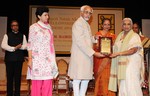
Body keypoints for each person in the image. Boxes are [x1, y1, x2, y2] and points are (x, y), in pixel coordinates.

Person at [67, 5, 105, 96]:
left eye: (90, 13)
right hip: (80, 56)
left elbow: (86, 39)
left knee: (86, 79)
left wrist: (94, 38)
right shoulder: (78, 23)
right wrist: (94, 53)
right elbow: (80, 42)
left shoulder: (86, 24)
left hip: (86, 56)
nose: (88, 15)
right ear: (81, 12)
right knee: (77, 79)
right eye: (86, 12)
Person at [27, 6, 58, 96]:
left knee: (48, 82)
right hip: (37, 59)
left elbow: (51, 45)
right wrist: (30, 59)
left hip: (48, 59)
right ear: (39, 16)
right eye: (45, 15)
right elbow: (30, 44)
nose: (47, 17)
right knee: (37, 84)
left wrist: (53, 60)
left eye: (48, 15)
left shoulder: (49, 27)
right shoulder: (33, 27)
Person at [108, 18, 145, 96]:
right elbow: (114, 48)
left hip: (131, 65)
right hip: (121, 65)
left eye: (128, 24)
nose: (126, 26)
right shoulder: (120, 36)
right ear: (122, 26)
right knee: (123, 85)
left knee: (131, 85)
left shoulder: (135, 36)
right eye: (124, 24)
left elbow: (133, 50)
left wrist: (118, 54)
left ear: (131, 26)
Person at [1, 20, 27, 96]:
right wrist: (14, 48)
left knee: (18, 78)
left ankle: (17, 94)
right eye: (13, 25)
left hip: (19, 60)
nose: (15, 26)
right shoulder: (7, 35)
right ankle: (9, 94)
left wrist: (20, 47)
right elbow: (3, 45)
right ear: (11, 27)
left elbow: (26, 46)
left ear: (18, 26)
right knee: (9, 78)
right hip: (9, 60)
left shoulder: (23, 35)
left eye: (16, 25)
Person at [93, 18, 116, 96]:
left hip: (109, 61)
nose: (107, 26)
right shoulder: (97, 34)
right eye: (105, 24)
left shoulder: (113, 36)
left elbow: (115, 49)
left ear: (110, 26)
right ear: (102, 25)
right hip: (100, 60)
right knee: (101, 80)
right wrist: (97, 44)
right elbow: (94, 48)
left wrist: (112, 46)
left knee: (108, 80)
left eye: (108, 24)